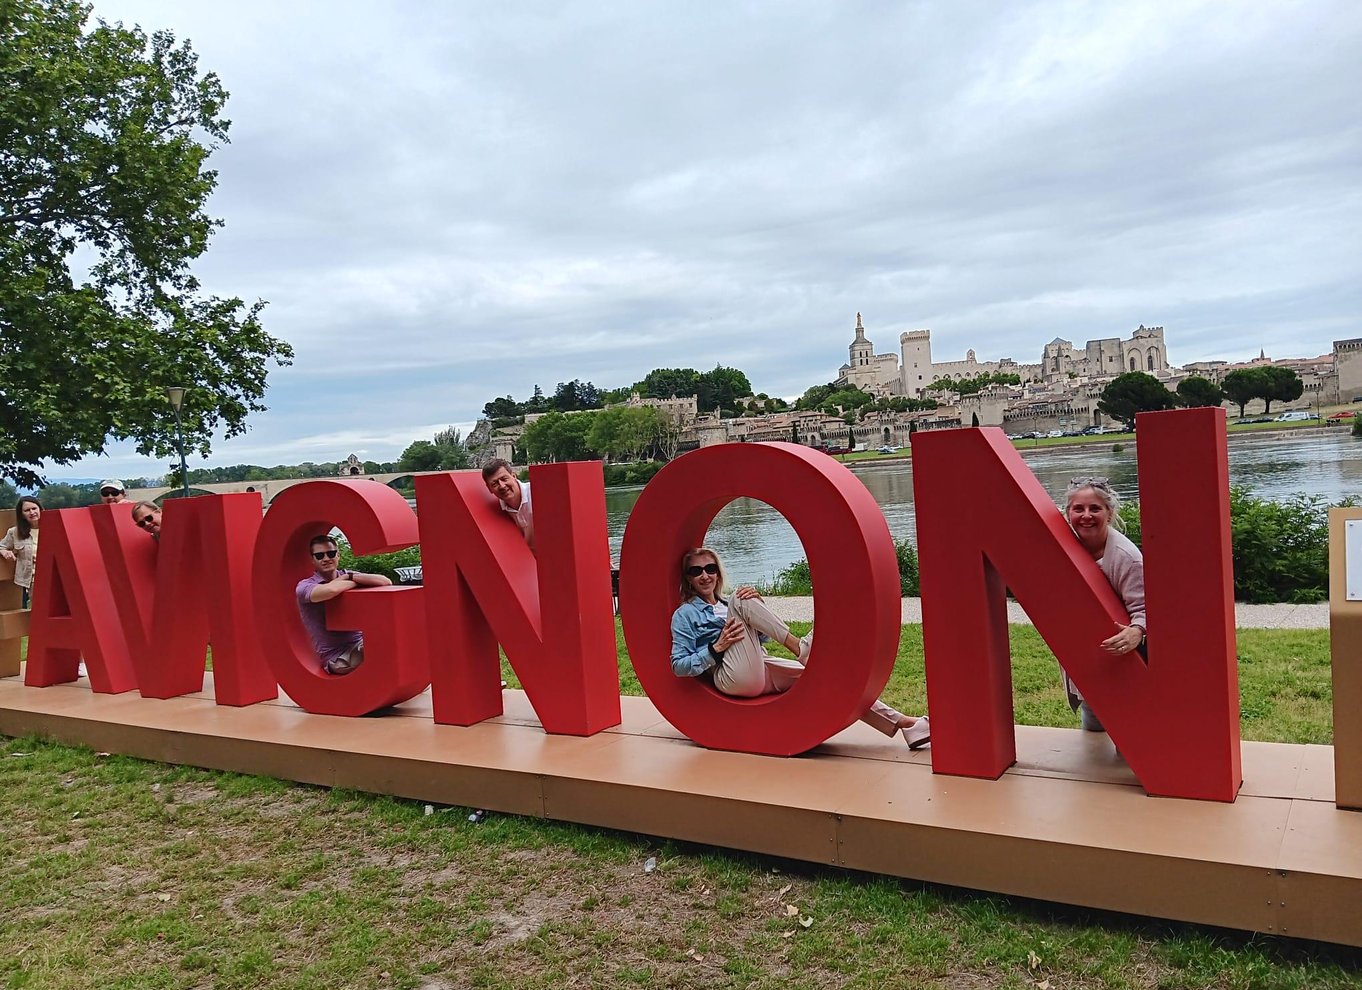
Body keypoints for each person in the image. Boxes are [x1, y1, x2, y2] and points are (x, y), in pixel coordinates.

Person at [669, 546, 931, 748]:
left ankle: (906, 724)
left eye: (710, 568)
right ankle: (801, 647)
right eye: (696, 571)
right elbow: (678, 665)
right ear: (688, 579)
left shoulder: (728, 606)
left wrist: (756, 614)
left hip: (759, 667)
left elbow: (759, 642)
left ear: (717, 572)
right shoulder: (685, 614)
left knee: (827, 679)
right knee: (741, 595)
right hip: (730, 677)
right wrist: (716, 647)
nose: (705, 576)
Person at [1063, 476, 1146, 732]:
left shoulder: (1126, 558)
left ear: (1109, 513)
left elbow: (1145, 608)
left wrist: (1137, 631)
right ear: (1068, 513)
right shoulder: (1064, 547)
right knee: (1094, 731)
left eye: (1095, 509)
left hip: (1125, 662)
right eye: (1079, 508)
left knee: (1130, 733)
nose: (1086, 515)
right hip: (1091, 661)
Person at [295, 535, 391, 675]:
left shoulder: (347, 574)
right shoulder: (305, 586)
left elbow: (386, 581)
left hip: (360, 644)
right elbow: (330, 590)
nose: (326, 558)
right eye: (320, 555)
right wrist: (354, 582)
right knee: (378, 647)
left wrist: (348, 577)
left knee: (393, 639)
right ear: (313, 560)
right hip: (338, 657)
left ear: (338, 555)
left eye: (331, 553)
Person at [482, 458, 533, 550]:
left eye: (504, 479)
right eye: (494, 484)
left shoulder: (536, 493)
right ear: (489, 489)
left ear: (514, 476)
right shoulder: (495, 510)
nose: (502, 486)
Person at [0, 496, 41, 609]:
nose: (32, 512)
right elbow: (1, 546)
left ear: (40, 509)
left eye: (34, 508)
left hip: (54, 578)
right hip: (31, 580)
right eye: (27, 510)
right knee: (39, 610)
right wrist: (4, 552)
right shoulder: (15, 532)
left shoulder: (53, 528)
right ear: (21, 514)